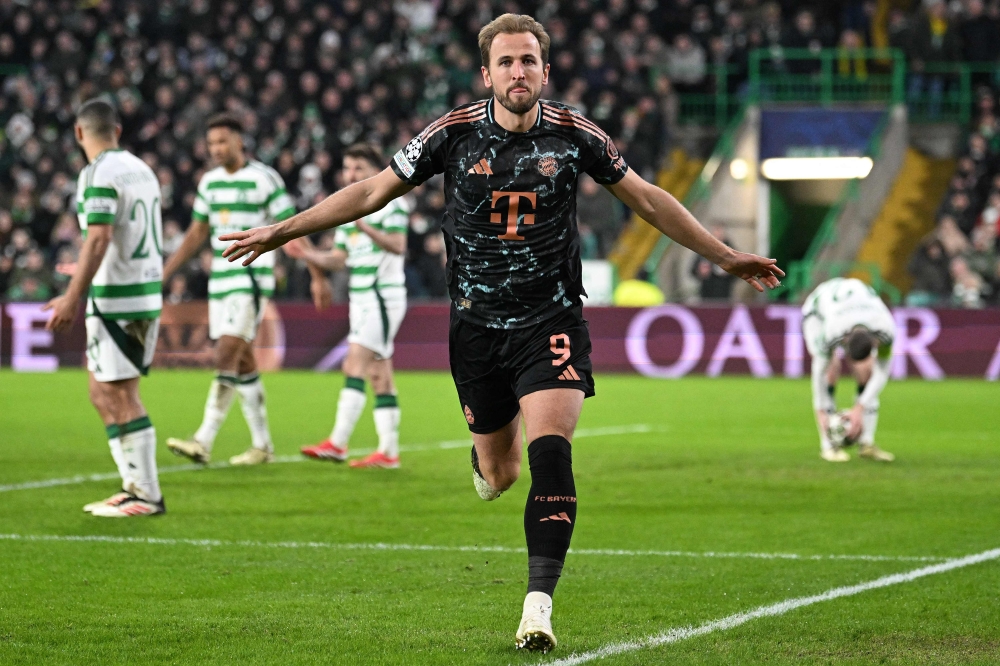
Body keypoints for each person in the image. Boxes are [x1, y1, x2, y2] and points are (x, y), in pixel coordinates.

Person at [219, 14, 783, 653]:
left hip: (551, 320)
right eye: (507, 62)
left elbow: (648, 199)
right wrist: (283, 230)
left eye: (529, 62)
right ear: (486, 73)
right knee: (502, 471)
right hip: (477, 328)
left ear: (546, 70)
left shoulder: (575, 134)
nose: (519, 72)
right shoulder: (451, 133)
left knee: (552, 454)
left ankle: (537, 608)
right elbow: (373, 190)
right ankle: (489, 458)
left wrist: (725, 256)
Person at [43, 98, 166, 517]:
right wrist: (81, 272)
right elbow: (123, 237)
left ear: (79, 133)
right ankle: (131, 484)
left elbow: (98, 238)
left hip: (119, 300)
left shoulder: (96, 173)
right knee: (100, 391)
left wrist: (71, 296)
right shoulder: (141, 168)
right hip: (138, 291)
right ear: (117, 130)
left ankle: (147, 496)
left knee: (120, 393)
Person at [162, 113, 296, 466]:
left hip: (250, 278)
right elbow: (195, 234)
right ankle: (262, 446)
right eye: (211, 144)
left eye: (222, 141)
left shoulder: (264, 179)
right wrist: (166, 272)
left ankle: (202, 440)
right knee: (243, 361)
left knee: (224, 353)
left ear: (239, 140)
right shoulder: (209, 183)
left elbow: (289, 224)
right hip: (220, 282)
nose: (216, 149)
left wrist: (312, 269)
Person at [285, 143, 409, 469]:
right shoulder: (347, 213)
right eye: (347, 168)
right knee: (379, 375)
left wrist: (365, 225)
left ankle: (338, 443)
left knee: (353, 364)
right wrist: (310, 256)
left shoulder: (392, 205)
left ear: (375, 172)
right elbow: (339, 259)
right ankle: (389, 452)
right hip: (361, 297)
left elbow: (398, 246)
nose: (351, 174)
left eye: (358, 168)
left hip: (382, 296)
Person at [801, 277, 896, 464]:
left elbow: (882, 371)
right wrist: (820, 409)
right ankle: (828, 446)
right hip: (817, 313)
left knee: (867, 371)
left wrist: (859, 408)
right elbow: (818, 371)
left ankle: (866, 443)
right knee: (831, 368)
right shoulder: (832, 331)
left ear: (874, 341)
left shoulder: (885, 328)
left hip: (854, 305)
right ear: (844, 341)